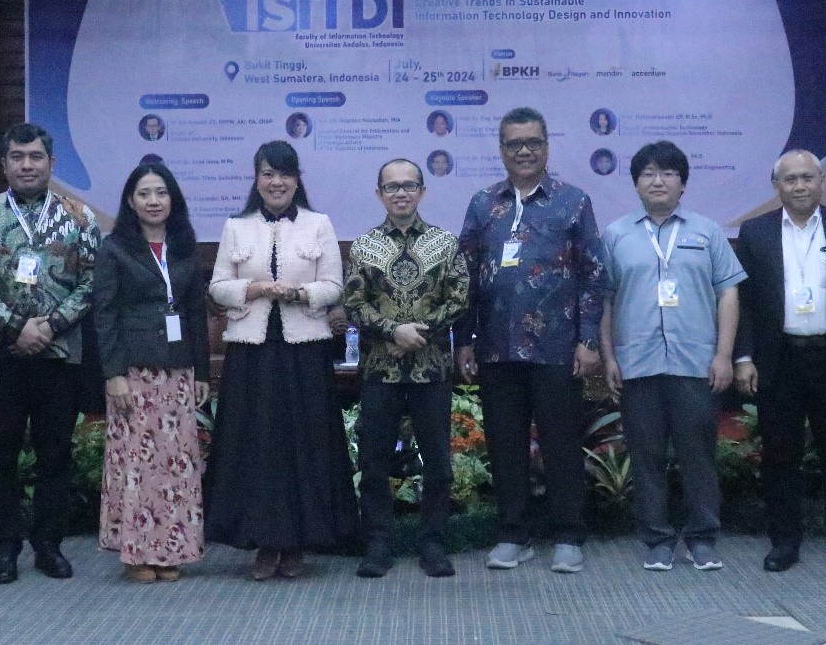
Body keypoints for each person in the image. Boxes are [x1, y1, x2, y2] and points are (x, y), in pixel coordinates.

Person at [456, 107, 607, 574]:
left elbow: (593, 274)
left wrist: (588, 340)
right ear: (501, 149)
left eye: (532, 142)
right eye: (514, 143)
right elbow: (465, 277)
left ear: (546, 146)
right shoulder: (483, 204)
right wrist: (464, 340)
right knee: (505, 445)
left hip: (557, 348)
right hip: (496, 348)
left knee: (561, 443)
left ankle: (568, 535)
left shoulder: (573, 202)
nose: (524, 151)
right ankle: (513, 535)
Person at [0, 122, 102, 584]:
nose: (26, 165)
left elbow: (94, 280)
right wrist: (16, 326)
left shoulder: (79, 216)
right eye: (17, 157)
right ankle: (4, 548)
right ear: (3, 164)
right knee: (0, 454)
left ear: (51, 163)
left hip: (60, 354)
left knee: (54, 454)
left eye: (35, 157)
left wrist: (51, 326)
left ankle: (49, 545)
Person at [205, 140, 358, 580]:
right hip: (251, 354)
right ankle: (264, 542)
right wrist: (254, 289)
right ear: (257, 179)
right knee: (257, 447)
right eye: (268, 174)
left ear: (297, 180)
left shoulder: (318, 224)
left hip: (304, 352)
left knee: (304, 446)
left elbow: (334, 286)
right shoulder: (236, 226)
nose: (277, 182)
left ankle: (297, 544)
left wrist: (300, 294)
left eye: (285, 174)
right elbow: (218, 287)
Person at [599, 140, 744, 572]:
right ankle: (658, 539)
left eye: (667, 173)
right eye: (647, 173)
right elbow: (604, 300)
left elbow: (728, 292)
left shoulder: (707, 232)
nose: (657, 181)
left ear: (683, 183)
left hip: (695, 365)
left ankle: (702, 538)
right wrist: (608, 357)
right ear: (636, 184)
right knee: (646, 458)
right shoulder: (616, 235)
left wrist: (724, 355)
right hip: (637, 365)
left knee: (698, 455)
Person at [732, 150, 826, 575]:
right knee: (780, 457)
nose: (799, 186)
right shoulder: (755, 232)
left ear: (821, 182)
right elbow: (744, 301)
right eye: (790, 179)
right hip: (778, 360)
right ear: (776, 186)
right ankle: (784, 543)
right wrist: (743, 356)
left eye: (807, 178)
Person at [344, 159, 469, 579]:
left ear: (422, 192)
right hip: (380, 371)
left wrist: (416, 333)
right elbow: (354, 304)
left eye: (409, 185)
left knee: (437, 463)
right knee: (374, 462)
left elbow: (459, 299)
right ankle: (378, 544)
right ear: (379, 194)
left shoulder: (444, 243)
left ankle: (434, 543)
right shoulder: (364, 246)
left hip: (431, 371)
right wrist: (391, 331)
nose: (401, 193)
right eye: (392, 187)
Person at [93, 162, 210, 583]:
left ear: (172, 199)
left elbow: (194, 312)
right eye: (144, 194)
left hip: (177, 370)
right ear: (130, 201)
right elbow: (104, 315)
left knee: (175, 464)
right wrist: (114, 374)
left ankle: (170, 549)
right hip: (134, 371)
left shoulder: (184, 245)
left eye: (161, 193)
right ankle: (137, 552)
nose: (154, 201)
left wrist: (201, 372)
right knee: (138, 464)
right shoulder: (115, 248)